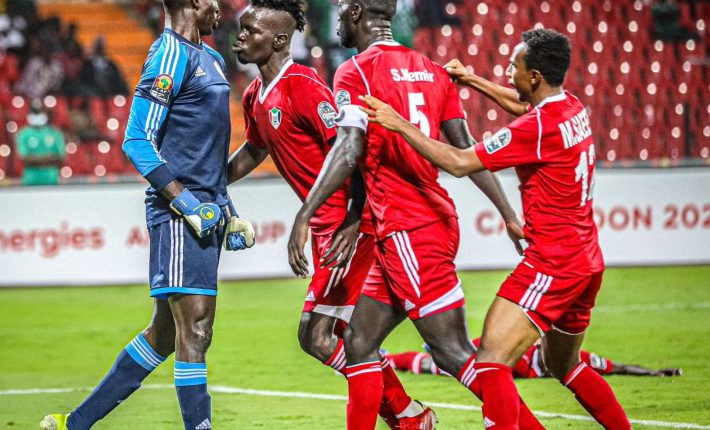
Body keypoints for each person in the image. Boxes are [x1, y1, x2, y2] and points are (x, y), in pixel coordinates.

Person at [360, 28, 632, 429]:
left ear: (534, 76)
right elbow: (522, 106)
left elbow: (458, 162)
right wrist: (472, 80)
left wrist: (399, 123)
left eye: (514, 66)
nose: (508, 71)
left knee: (490, 360)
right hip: (587, 260)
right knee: (564, 364)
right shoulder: (571, 108)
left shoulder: (536, 128)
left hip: (552, 263)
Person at [286, 1, 540, 428]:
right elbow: (466, 148)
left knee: (452, 351)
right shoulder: (431, 69)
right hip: (418, 225)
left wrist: (304, 214)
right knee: (359, 342)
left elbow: (348, 148)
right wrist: (507, 211)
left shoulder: (355, 71)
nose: (338, 17)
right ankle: (409, 420)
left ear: (357, 12)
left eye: (343, 8)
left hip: (408, 227)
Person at [40, 1, 254, 429]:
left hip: (205, 212)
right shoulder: (169, 55)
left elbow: (205, 155)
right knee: (196, 330)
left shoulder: (211, 58)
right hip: (179, 215)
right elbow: (137, 140)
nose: (221, 8)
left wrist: (226, 209)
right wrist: (187, 204)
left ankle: (74, 424)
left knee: (165, 335)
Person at [227, 1, 429, 428]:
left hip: (347, 227)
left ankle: (408, 415)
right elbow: (255, 150)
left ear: (280, 40)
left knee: (317, 336)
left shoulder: (303, 86)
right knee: (341, 336)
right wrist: (209, 182)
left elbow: (350, 150)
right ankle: (408, 414)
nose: (240, 36)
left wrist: (354, 220)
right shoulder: (254, 95)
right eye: (242, 27)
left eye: (251, 30)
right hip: (326, 228)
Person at [385, 340, 683, 379]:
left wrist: (653, 373)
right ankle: (387, 358)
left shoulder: (574, 358)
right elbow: (487, 344)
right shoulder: (525, 348)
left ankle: (385, 360)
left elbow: (616, 368)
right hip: (480, 357)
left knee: (430, 366)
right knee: (432, 363)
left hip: (483, 367)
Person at [15, 104, 65, 186]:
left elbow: (61, 158)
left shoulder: (55, 133)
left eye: (39, 112)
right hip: (30, 180)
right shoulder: (23, 134)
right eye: (35, 112)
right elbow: (25, 159)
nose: (37, 115)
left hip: (52, 180)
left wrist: (35, 160)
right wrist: (48, 158)